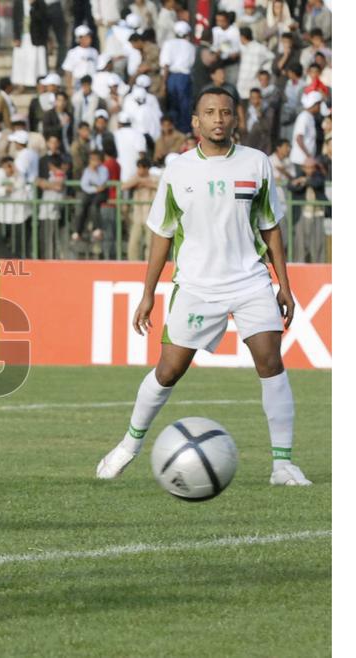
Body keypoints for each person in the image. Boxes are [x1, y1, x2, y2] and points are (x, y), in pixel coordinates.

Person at [95, 87, 311, 487]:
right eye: (209, 112)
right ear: (195, 121)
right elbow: (161, 234)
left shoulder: (256, 163)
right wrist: (147, 293)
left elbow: (271, 226)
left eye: (226, 112)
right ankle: (128, 445)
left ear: (235, 119)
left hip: (250, 280)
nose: (218, 119)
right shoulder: (178, 169)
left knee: (271, 362)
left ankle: (283, 465)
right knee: (168, 370)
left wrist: (284, 283)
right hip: (196, 285)